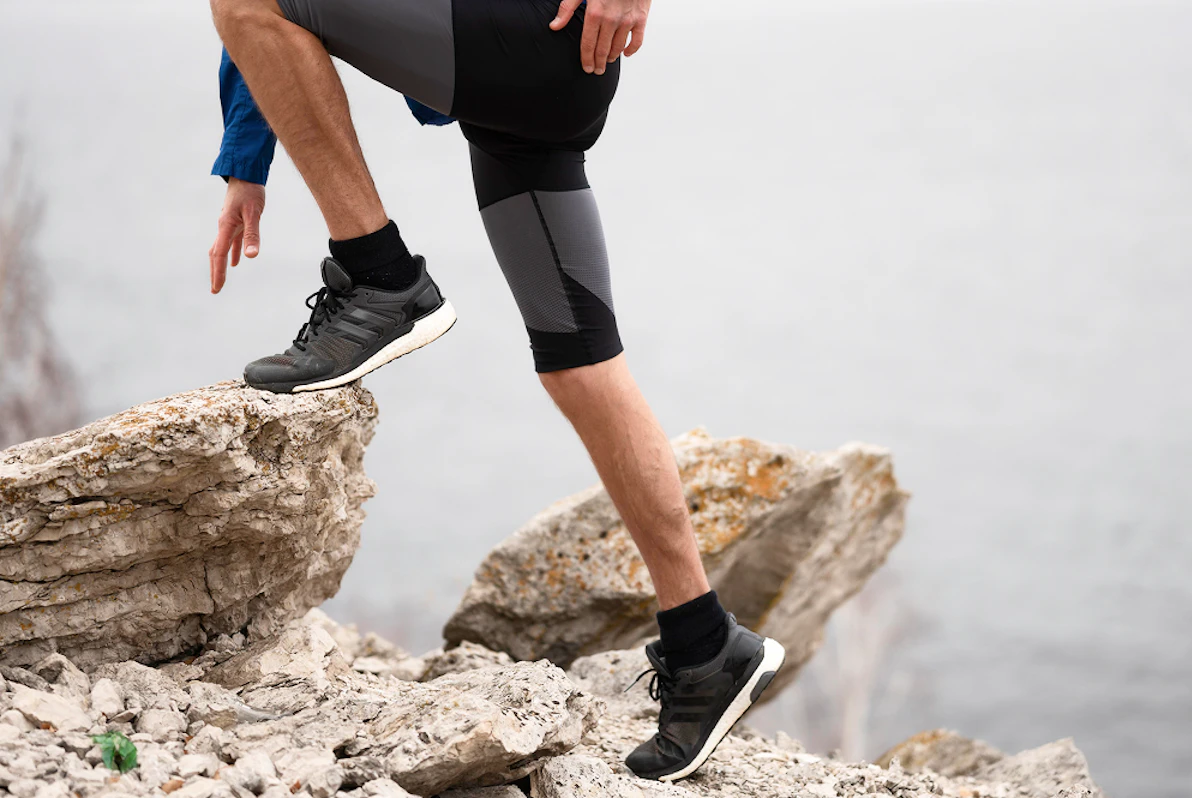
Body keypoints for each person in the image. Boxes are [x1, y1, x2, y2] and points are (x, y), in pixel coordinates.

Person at [205, 0, 784, 781]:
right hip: (526, 87)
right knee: (580, 365)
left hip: (530, 44)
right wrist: (248, 160)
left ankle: (382, 278)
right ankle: (705, 644)